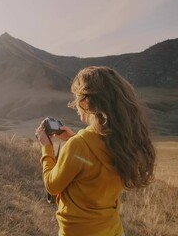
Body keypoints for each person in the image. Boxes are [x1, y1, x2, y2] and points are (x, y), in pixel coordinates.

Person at [35, 66, 156, 236]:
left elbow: (52, 185)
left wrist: (46, 147)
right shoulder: (121, 141)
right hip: (112, 230)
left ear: (86, 102)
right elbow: (94, 164)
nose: (75, 104)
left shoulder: (80, 145)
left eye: (77, 97)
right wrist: (72, 140)